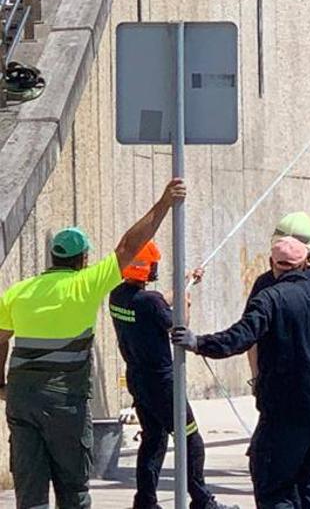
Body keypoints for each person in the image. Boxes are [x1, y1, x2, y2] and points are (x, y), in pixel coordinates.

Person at [0, 178, 186, 509]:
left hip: (21, 398)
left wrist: (0, 382)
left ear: (54, 257)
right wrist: (163, 203)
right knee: (73, 489)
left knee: (29, 492)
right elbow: (129, 245)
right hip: (65, 402)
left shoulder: (18, 292)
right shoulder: (86, 285)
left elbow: (0, 340)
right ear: (83, 258)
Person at [173, 236, 310, 509]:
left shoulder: (270, 298)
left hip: (284, 416)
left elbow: (240, 337)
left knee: (276, 491)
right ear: (305, 263)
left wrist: (199, 343)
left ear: (273, 264)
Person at [108, 241, 238, 509]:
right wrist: (186, 303)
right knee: (191, 439)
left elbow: (156, 305)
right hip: (162, 383)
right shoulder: (150, 302)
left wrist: (186, 281)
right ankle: (201, 500)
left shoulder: (118, 296)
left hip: (138, 379)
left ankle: (144, 501)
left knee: (153, 439)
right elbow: (180, 329)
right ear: (147, 269)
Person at [244, 212, 310, 509]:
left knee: (276, 476)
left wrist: (257, 379)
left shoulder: (265, 285)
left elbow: (252, 338)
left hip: (281, 399)